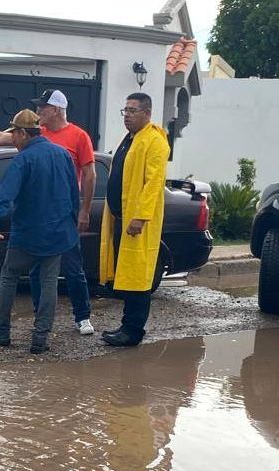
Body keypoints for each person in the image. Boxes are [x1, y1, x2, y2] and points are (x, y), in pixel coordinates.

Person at [0, 89, 96, 335]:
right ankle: (41, 331)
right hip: (56, 224)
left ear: (55, 109)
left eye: (42, 107)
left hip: (41, 224)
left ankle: (79, 317)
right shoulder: (41, 136)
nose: (38, 111)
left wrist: (83, 212)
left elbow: (88, 175)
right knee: (45, 278)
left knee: (59, 272)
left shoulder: (74, 138)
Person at [0, 109, 81, 355]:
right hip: (58, 233)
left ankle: (1, 331)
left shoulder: (23, 160)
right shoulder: (62, 155)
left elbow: (5, 196)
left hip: (28, 234)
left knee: (9, 276)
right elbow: (73, 195)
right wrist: (70, 223)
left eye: (14, 133)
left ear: (24, 133)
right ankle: (40, 338)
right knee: (49, 283)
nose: (12, 138)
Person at [99, 93, 169, 347]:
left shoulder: (154, 141)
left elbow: (153, 183)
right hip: (120, 217)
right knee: (127, 274)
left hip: (138, 222)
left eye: (132, 110)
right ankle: (126, 325)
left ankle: (133, 330)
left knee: (138, 277)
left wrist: (140, 217)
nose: (126, 115)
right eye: (125, 110)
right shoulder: (131, 139)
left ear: (147, 113)